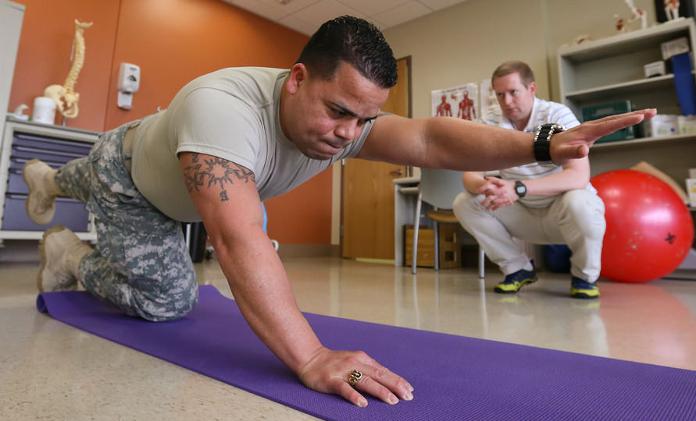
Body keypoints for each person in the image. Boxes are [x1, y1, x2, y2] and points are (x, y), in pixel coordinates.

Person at [23, 17, 652, 408]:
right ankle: (70, 252)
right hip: (132, 177)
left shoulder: (346, 123)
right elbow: (237, 239)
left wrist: (541, 144)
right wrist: (310, 356)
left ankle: (55, 193)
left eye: (364, 119)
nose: (348, 133)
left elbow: (431, 140)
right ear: (296, 79)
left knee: (110, 202)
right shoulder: (224, 107)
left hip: (154, 164)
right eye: (337, 111)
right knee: (167, 300)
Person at [452, 60, 606, 299]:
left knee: (580, 201)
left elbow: (578, 176)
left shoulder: (557, 115)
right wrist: (486, 186)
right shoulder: (489, 122)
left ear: (531, 89)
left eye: (514, 92)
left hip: (562, 211)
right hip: (521, 212)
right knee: (465, 202)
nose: (507, 102)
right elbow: (470, 175)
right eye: (500, 95)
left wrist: (519, 187)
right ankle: (518, 269)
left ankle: (584, 277)